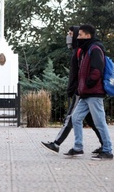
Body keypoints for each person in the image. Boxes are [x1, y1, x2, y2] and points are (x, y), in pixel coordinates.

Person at [41, 25, 103, 155]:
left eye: (71, 34)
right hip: (81, 90)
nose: (69, 36)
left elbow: (82, 72)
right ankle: (101, 145)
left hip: (81, 91)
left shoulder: (82, 51)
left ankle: (57, 143)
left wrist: (78, 87)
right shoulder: (79, 50)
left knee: (71, 117)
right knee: (90, 120)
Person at [65, 24, 114, 160]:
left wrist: (87, 84)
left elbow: (97, 70)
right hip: (86, 93)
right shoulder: (86, 49)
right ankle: (78, 147)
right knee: (76, 118)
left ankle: (108, 150)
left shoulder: (95, 48)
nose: (77, 37)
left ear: (88, 35)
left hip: (94, 93)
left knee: (99, 122)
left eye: (80, 35)